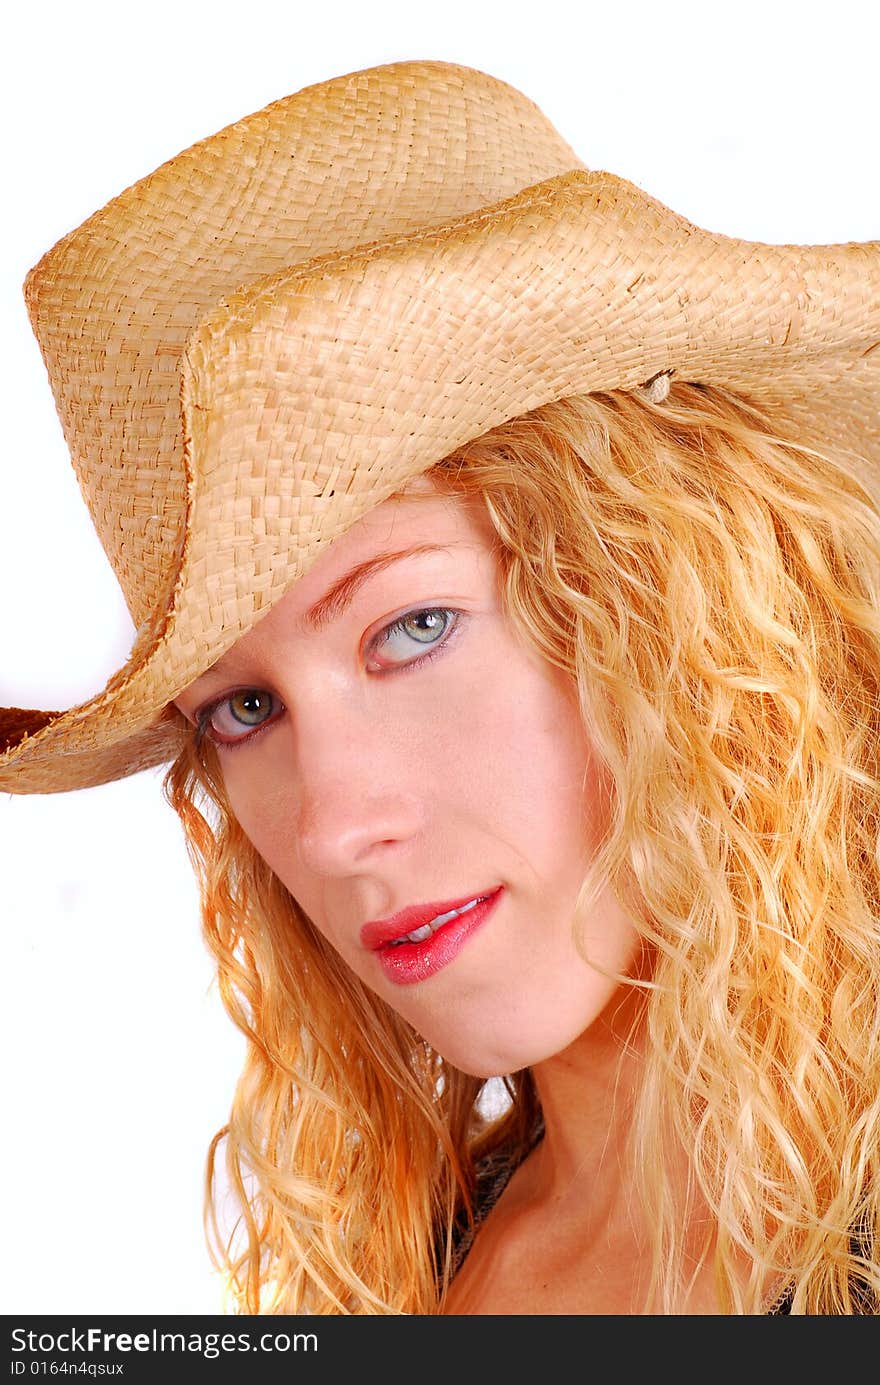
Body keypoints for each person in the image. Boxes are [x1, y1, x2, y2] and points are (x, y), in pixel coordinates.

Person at [2, 59, 879, 1316]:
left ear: (675, 591)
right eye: (242, 710)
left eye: (412, 626)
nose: (330, 824)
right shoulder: (407, 1270)